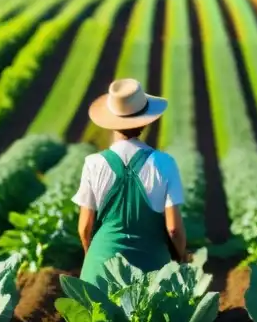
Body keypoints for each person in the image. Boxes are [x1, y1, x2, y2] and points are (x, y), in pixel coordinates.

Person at [73, 78, 187, 283]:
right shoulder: (164, 163)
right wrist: (179, 258)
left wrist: (94, 260)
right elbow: (174, 228)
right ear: (145, 121)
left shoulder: (93, 163)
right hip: (151, 274)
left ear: (111, 122)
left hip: (100, 272)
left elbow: (84, 228)